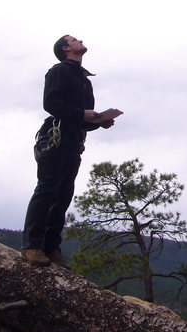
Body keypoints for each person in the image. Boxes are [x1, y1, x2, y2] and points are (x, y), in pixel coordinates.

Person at [21, 35, 120, 267]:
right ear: (66, 48)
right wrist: (82, 115)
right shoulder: (59, 71)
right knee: (46, 191)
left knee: (63, 195)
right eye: (75, 39)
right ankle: (31, 247)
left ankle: (51, 247)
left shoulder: (85, 80)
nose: (81, 41)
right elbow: (51, 104)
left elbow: (81, 119)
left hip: (73, 142)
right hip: (54, 140)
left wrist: (98, 121)